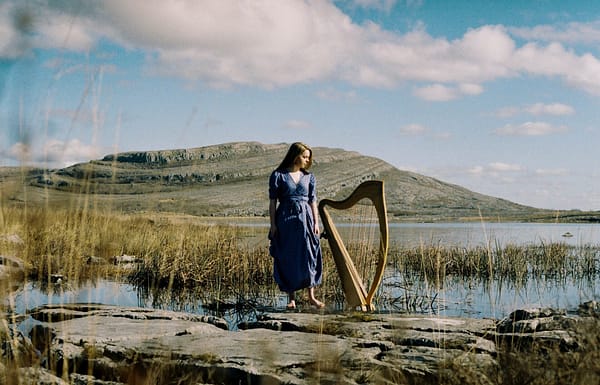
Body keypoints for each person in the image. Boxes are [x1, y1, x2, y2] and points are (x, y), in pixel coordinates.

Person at [268, 142, 324, 310]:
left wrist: (316, 222)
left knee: (309, 254)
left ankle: (311, 296)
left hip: (306, 220)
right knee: (288, 255)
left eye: (309, 157)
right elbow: (272, 202)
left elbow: (313, 201)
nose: (307, 160)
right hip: (285, 219)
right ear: (295, 156)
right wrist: (273, 225)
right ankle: (291, 298)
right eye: (304, 157)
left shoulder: (309, 177)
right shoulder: (278, 175)